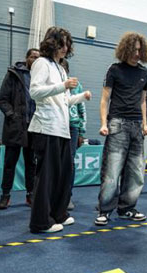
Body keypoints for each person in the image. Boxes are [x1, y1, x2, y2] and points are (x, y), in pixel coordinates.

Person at [28, 27, 91, 233]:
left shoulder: (60, 68)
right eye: (62, 43)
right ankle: (40, 222)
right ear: (53, 42)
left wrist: (81, 97)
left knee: (63, 175)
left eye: (67, 43)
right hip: (46, 127)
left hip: (62, 130)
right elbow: (35, 92)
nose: (66, 47)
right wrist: (63, 86)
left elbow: (63, 102)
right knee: (46, 177)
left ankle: (58, 214)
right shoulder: (41, 63)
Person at [95, 32, 147, 226]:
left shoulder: (145, 73)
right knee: (112, 171)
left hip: (137, 125)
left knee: (136, 171)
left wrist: (144, 124)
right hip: (117, 123)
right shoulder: (114, 70)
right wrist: (104, 123)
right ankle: (104, 210)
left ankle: (127, 208)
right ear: (125, 49)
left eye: (139, 49)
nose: (137, 53)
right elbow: (105, 99)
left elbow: (143, 101)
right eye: (134, 49)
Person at [0, 48, 39, 209]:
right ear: (26, 58)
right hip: (15, 127)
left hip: (34, 127)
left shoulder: (40, 76)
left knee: (31, 164)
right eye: (33, 57)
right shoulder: (13, 74)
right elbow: (2, 100)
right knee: (9, 163)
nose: (35, 60)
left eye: (38, 58)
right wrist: (12, 115)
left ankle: (31, 195)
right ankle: (5, 196)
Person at [60, 59, 85, 211]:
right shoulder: (53, 85)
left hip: (73, 127)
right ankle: (53, 195)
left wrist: (82, 131)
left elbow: (82, 109)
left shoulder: (77, 85)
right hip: (56, 127)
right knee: (55, 162)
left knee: (69, 162)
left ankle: (67, 196)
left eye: (64, 68)